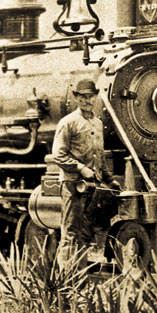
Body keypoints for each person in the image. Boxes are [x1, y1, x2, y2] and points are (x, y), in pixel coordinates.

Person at [51, 78, 118, 269]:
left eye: (90, 97)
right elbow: (59, 155)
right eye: (83, 97)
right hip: (73, 186)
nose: (87, 101)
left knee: (86, 232)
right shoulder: (68, 123)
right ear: (76, 98)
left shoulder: (97, 123)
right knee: (71, 232)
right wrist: (80, 168)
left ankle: (80, 277)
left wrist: (110, 180)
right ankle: (66, 280)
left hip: (92, 187)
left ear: (96, 97)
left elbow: (100, 158)